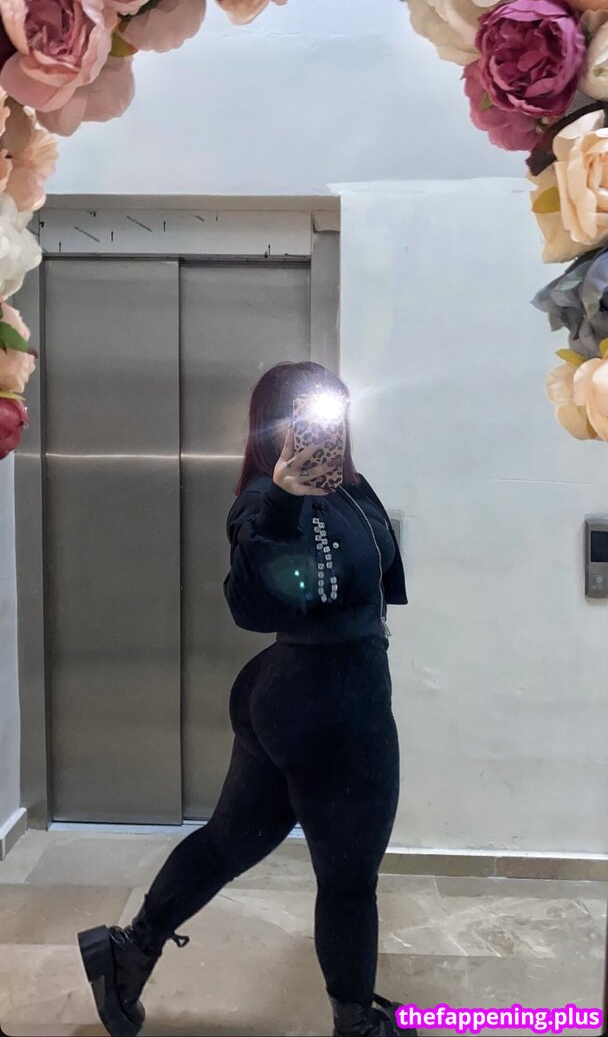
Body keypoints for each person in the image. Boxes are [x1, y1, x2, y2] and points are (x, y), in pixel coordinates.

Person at [77, 361, 415, 1037]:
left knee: (229, 841)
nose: (327, 427)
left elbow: (371, 579)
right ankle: (356, 1024)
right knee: (350, 879)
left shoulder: (352, 488)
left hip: (305, 697)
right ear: (274, 426)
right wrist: (284, 502)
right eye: (307, 414)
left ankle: (128, 951)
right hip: (328, 708)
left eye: (335, 410)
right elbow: (262, 603)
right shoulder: (263, 501)